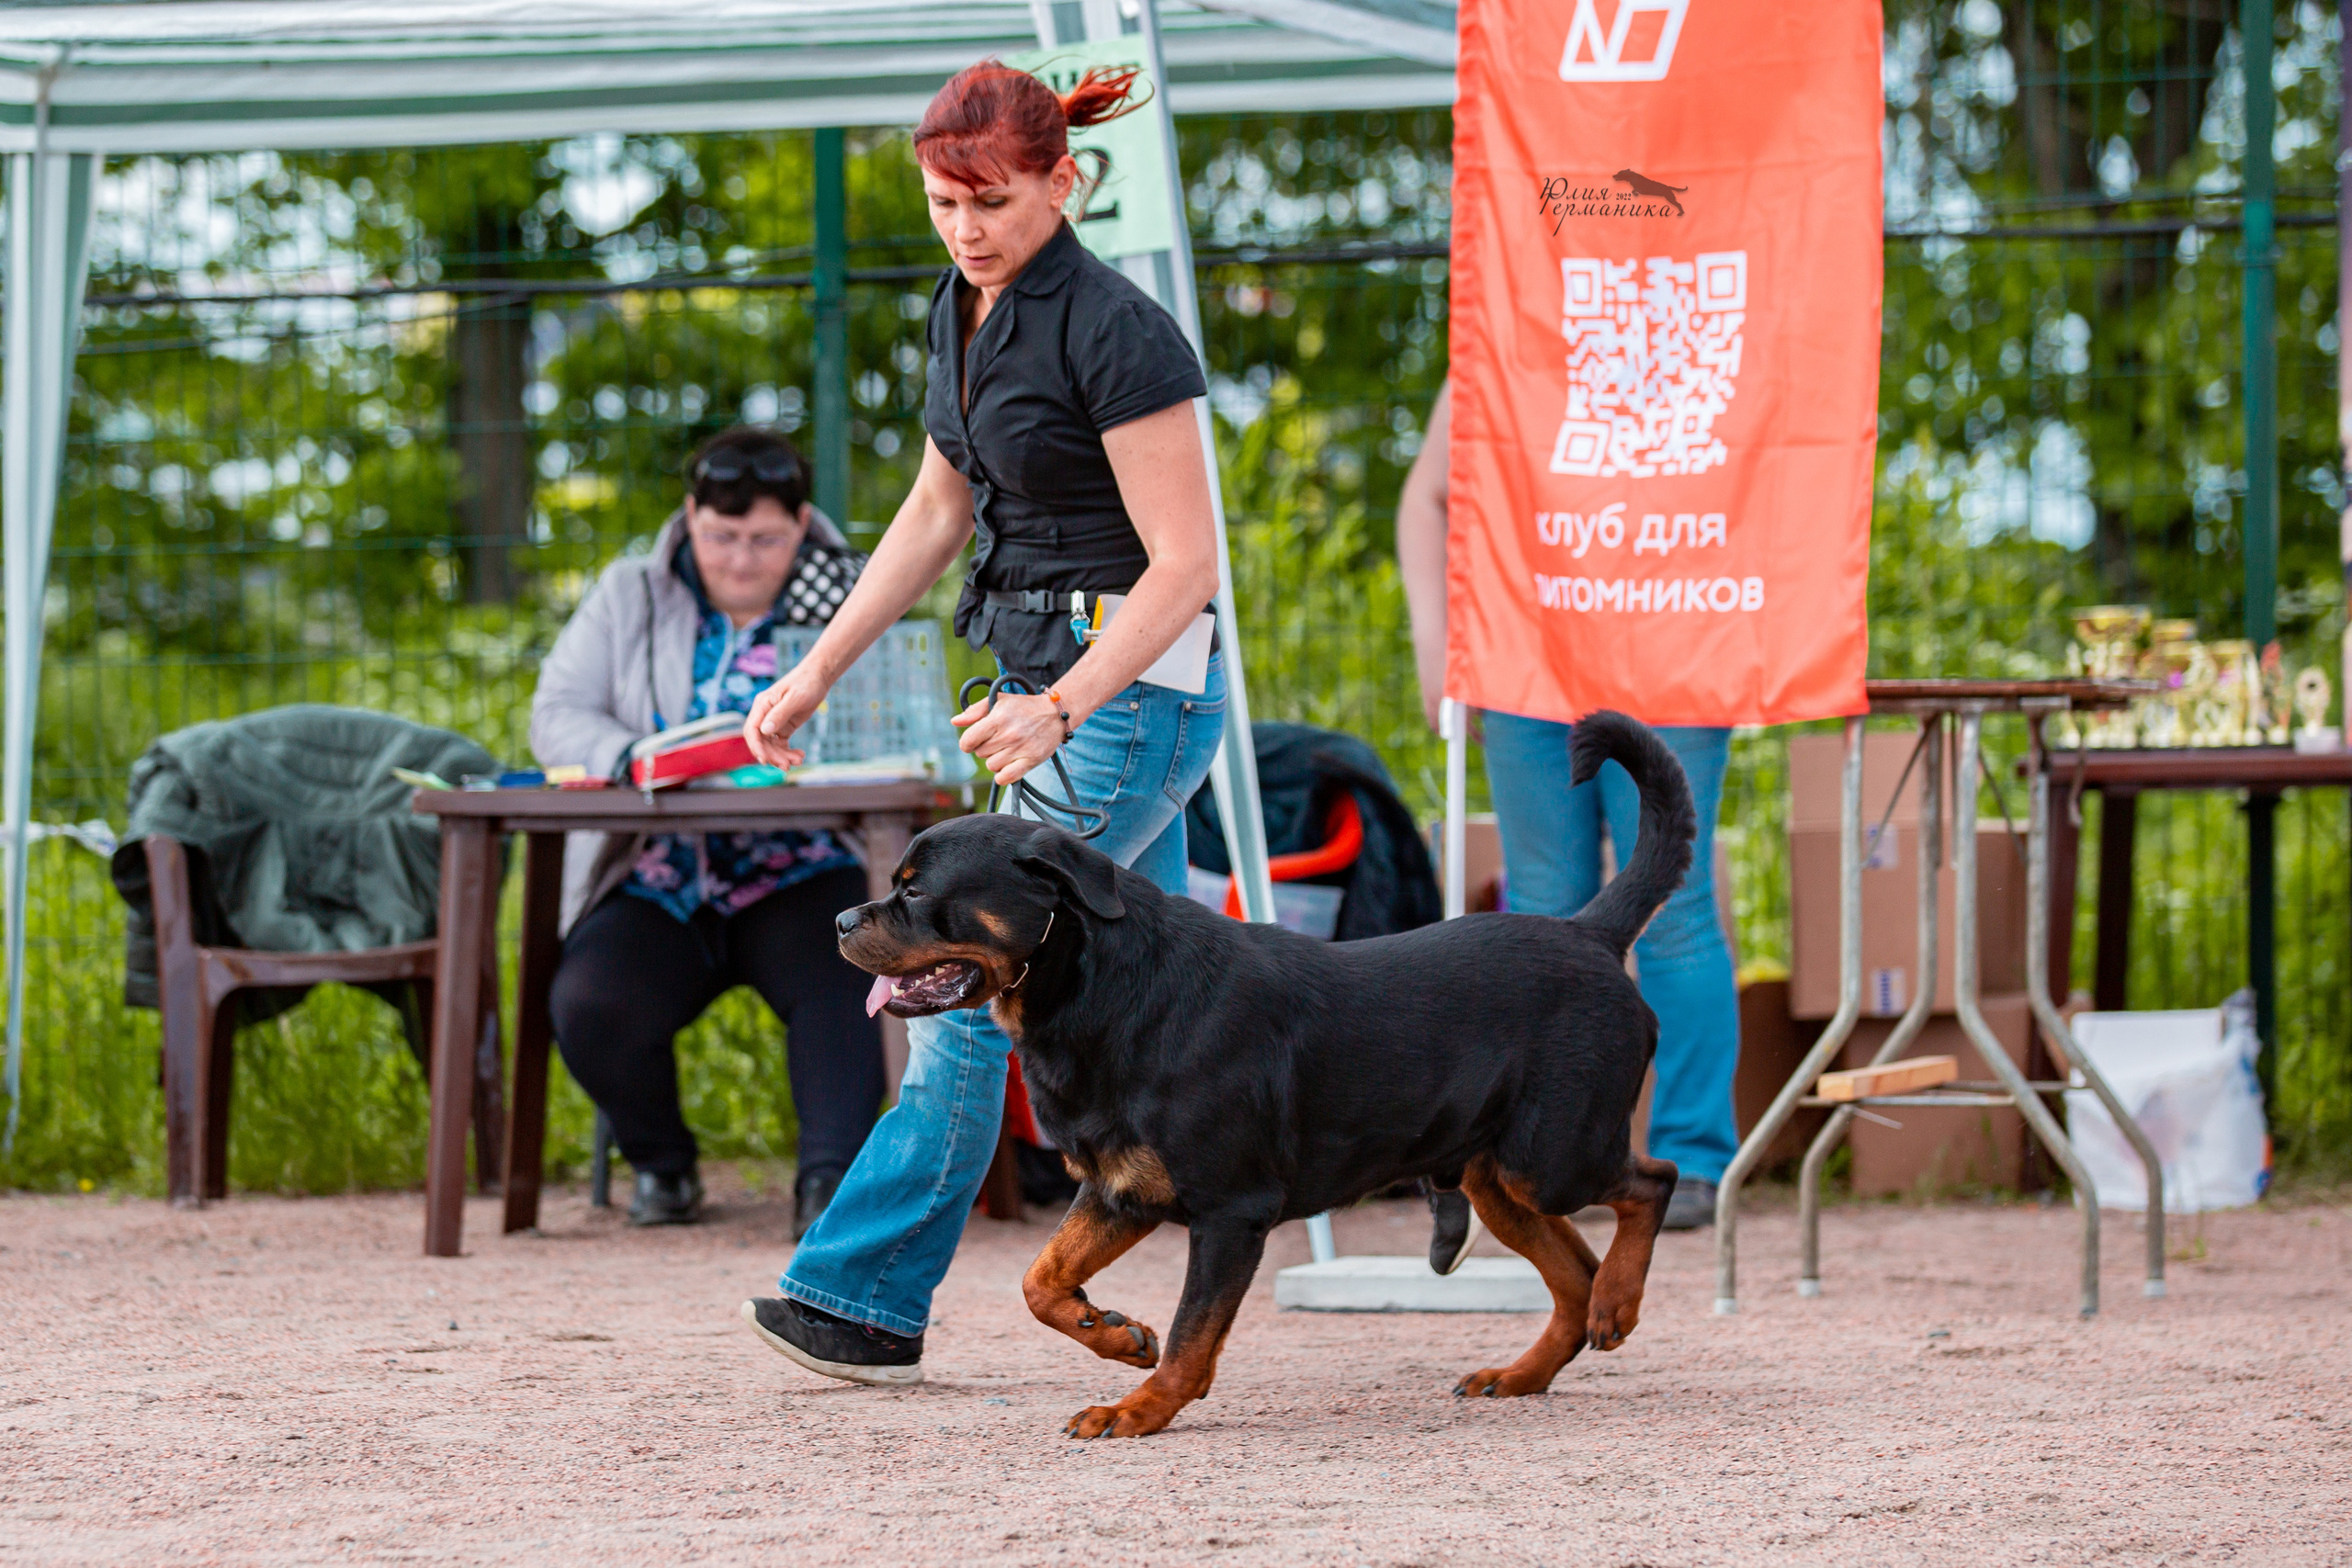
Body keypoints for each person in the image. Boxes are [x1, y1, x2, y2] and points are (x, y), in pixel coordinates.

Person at [736, 58, 1227, 1386]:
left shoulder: (1121, 332)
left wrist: (1065, 701)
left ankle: (859, 1293)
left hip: (1123, 698)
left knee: (961, 977)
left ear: (1062, 182)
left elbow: (1185, 561)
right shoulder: (959, 308)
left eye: (994, 200)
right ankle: (1263, 1171)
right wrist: (816, 667)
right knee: (1176, 997)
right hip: (1043, 695)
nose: (967, 227)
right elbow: (935, 510)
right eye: (945, 202)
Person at [1396, 381, 1739, 1234]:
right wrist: (1437, 654)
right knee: (1546, 920)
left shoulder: (1691, 341)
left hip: (1671, 648)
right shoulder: (1511, 327)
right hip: (1526, 660)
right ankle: (1546, 1149)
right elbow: (1427, 496)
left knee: (1673, 912)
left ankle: (1692, 1156)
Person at [530, 425, 885, 1234]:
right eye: (720, 536)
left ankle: (828, 1189)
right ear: (688, 518)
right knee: (589, 999)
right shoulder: (629, 592)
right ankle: (663, 1167)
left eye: (764, 538)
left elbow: (891, 728)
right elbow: (555, 713)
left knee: (850, 981)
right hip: (662, 873)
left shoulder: (859, 590)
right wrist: (632, 756)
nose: (740, 559)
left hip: (803, 867)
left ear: (801, 525)